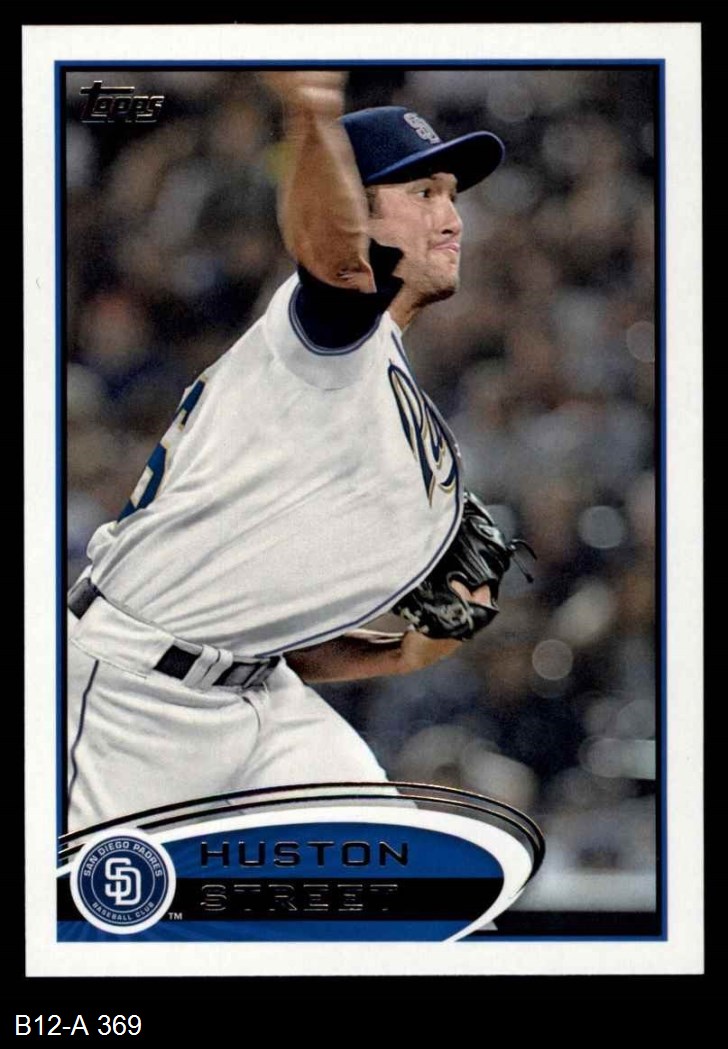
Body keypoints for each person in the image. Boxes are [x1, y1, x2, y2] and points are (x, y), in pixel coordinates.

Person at [65, 71, 507, 834]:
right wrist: (311, 114)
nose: (451, 217)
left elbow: (290, 634)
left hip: (262, 691)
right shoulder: (329, 338)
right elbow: (335, 259)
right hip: (135, 691)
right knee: (98, 902)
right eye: (423, 193)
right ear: (356, 207)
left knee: (395, 875)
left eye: (452, 196)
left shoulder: (392, 395)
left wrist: (400, 650)